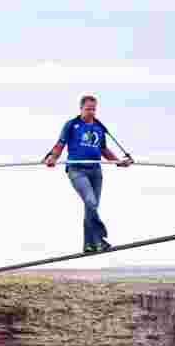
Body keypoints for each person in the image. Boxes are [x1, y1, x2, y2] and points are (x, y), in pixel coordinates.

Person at [44, 95, 132, 253]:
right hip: (77, 170)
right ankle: (100, 238)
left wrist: (118, 162)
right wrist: (53, 158)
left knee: (91, 208)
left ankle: (89, 245)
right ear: (81, 109)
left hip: (96, 171)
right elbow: (60, 144)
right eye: (88, 109)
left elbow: (104, 150)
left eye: (94, 109)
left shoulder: (99, 127)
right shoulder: (72, 125)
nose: (91, 112)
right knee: (91, 202)